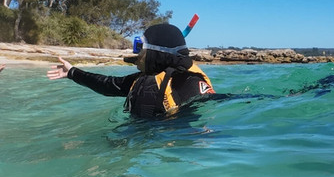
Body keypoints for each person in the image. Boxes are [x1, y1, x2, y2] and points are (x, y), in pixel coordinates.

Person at [47, 22, 215, 119]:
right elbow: (108, 85)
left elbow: (214, 107)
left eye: (139, 47)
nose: (135, 53)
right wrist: (71, 72)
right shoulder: (143, 80)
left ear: (157, 53)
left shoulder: (189, 83)